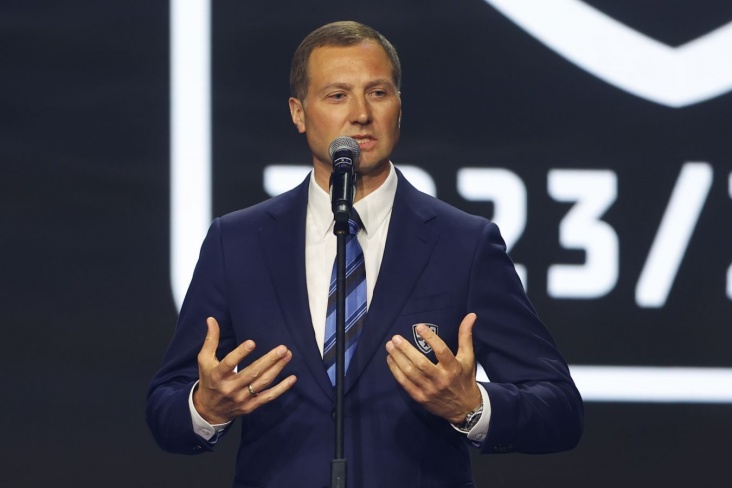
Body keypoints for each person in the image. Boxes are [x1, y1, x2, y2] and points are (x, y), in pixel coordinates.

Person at [147, 20, 583, 487]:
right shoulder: (237, 243)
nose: (360, 114)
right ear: (299, 113)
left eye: (377, 93)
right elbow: (166, 408)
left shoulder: (465, 244)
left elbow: (560, 409)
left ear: (399, 107)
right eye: (337, 95)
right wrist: (205, 408)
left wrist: (472, 406)